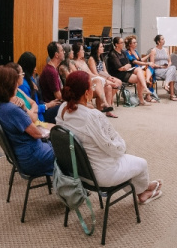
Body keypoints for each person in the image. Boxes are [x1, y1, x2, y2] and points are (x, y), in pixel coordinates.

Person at [56, 71, 162, 204]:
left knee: (127, 162)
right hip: (100, 175)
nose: (94, 88)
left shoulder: (62, 109)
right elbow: (112, 148)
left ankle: (144, 187)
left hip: (77, 172)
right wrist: (122, 146)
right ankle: (143, 193)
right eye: (92, 86)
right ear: (87, 93)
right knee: (141, 163)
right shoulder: (92, 116)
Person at [0, 64, 54, 175]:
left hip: (23, 153)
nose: (17, 84)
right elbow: (37, 134)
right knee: (69, 150)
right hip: (34, 157)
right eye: (15, 82)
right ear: (10, 85)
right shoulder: (13, 110)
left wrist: (24, 108)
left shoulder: (0, 106)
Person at [70, 43, 115, 115]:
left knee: (108, 87)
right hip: (83, 84)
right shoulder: (72, 62)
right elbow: (77, 76)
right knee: (99, 82)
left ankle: (107, 110)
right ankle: (104, 103)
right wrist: (99, 78)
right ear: (78, 52)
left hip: (90, 81)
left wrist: (99, 77)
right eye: (82, 50)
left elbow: (90, 73)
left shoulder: (83, 61)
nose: (84, 51)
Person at [17, 51, 61, 124]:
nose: (35, 69)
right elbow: (29, 108)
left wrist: (47, 104)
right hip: (39, 116)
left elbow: (36, 101)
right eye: (34, 66)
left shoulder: (30, 78)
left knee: (62, 106)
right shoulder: (22, 84)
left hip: (41, 109)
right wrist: (47, 106)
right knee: (62, 108)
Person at [106, 37, 151, 106]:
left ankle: (145, 88)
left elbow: (129, 63)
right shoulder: (113, 54)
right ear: (116, 44)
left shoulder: (123, 52)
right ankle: (142, 99)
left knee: (139, 70)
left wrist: (126, 66)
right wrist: (126, 67)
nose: (123, 44)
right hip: (118, 74)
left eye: (123, 42)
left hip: (126, 70)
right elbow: (119, 68)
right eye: (121, 43)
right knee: (140, 78)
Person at [87, 41, 122, 108]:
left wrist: (109, 77)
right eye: (101, 47)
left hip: (103, 76)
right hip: (97, 78)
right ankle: (108, 102)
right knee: (111, 85)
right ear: (97, 49)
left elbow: (105, 71)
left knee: (118, 82)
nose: (103, 48)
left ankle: (110, 99)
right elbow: (95, 73)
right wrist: (106, 78)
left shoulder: (101, 57)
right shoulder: (92, 59)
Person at [125, 35, 158, 102]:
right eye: (134, 43)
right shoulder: (127, 52)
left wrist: (149, 55)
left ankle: (147, 92)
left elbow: (140, 60)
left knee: (150, 69)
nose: (136, 44)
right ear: (130, 44)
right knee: (145, 73)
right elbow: (135, 62)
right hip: (134, 69)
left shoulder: (136, 51)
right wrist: (147, 63)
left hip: (140, 67)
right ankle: (148, 95)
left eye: (136, 42)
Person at [149, 35, 177, 101]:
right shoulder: (153, 51)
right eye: (162, 39)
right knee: (172, 72)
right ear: (158, 41)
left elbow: (170, 61)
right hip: (158, 70)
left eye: (164, 39)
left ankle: (166, 84)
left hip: (167, 69)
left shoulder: (166, 50)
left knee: (172, 68)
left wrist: (168, 66)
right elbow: (152, 64)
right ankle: (172, 95)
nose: (164, 40)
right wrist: (161, 66)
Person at [40, 42, 65, 108]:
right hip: (54, 106)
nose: (64, 52)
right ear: (56, 55)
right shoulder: (51, 71)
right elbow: (58, 97)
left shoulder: (53, 68)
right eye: (62, 50)